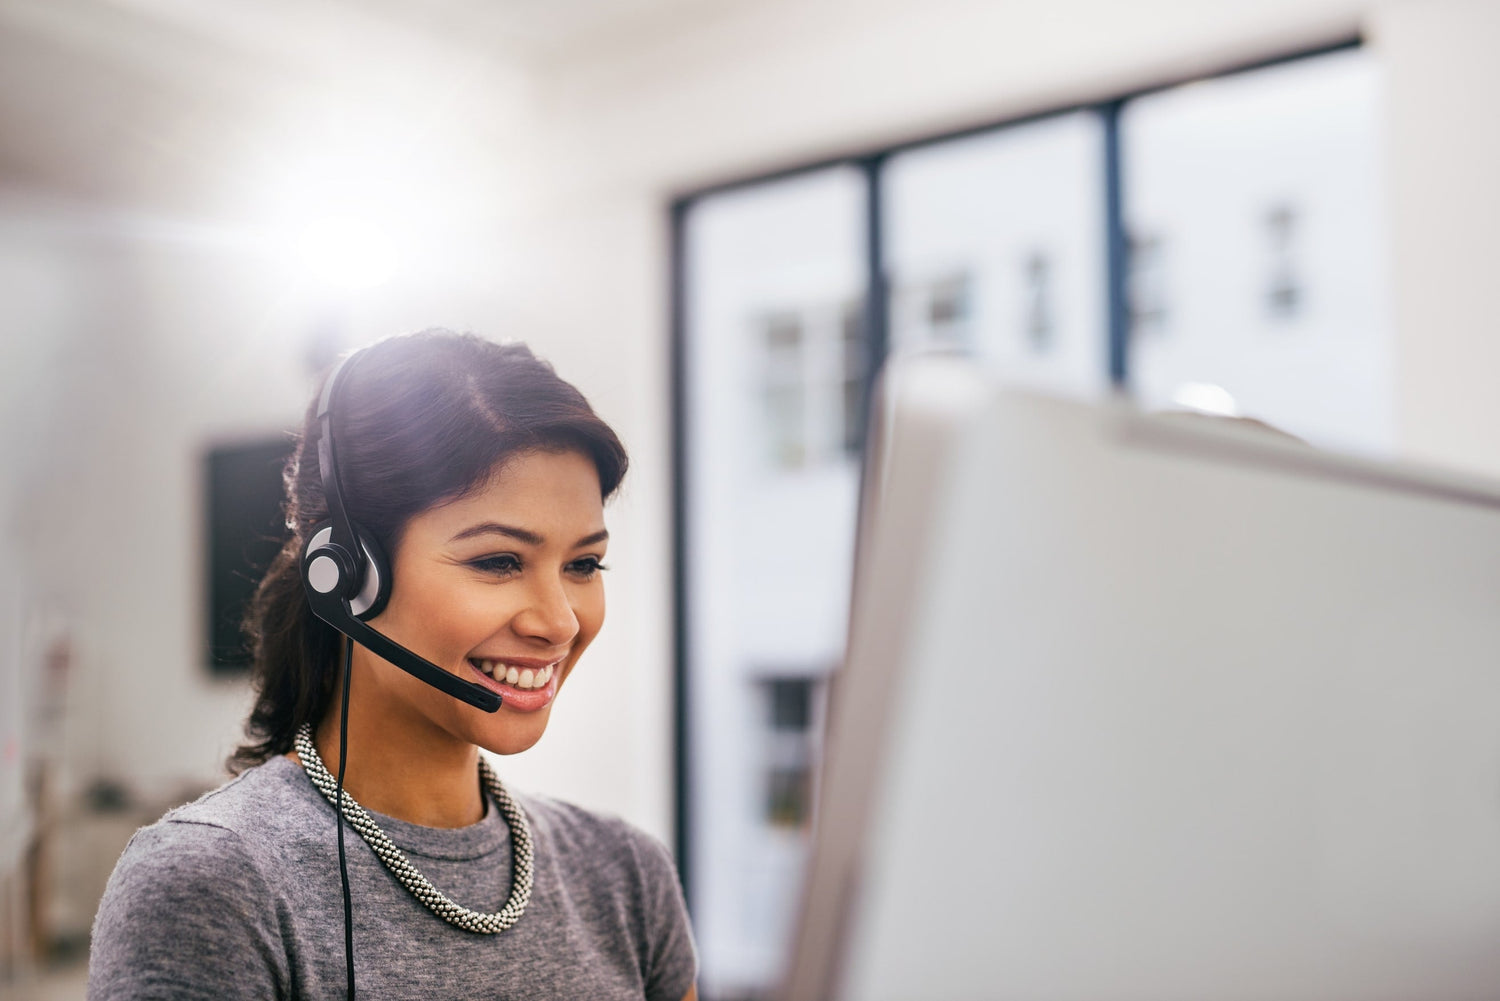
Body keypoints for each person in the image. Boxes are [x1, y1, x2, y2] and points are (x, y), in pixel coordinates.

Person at [87, 330, 698, 1000]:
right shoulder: (213, 883)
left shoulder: (627, 874)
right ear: (349, 576)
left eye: (583, 564)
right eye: (498, 561)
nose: (557, 621)